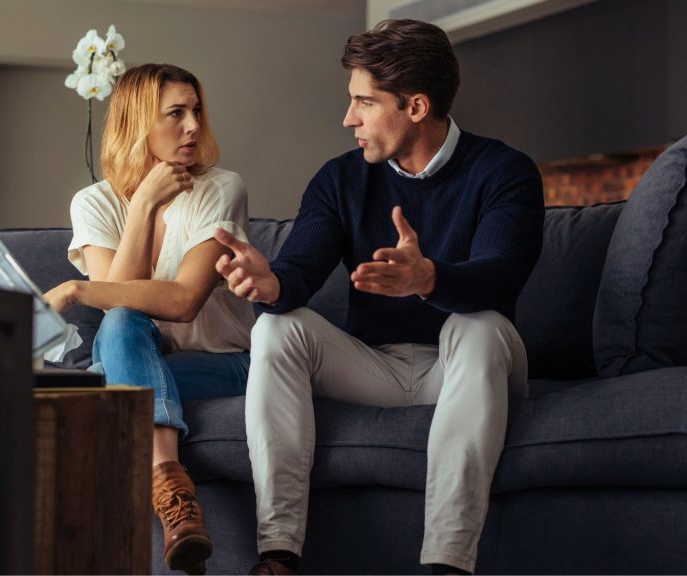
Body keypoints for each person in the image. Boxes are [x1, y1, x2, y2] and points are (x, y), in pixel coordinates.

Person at [214, 20, 544, 575]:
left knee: (477, 325)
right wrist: (271, 285)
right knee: (275, 328)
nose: (349, 119)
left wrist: (430, 278)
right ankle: (277, 555)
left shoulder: (504, 172)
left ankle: (447, 563)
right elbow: (300, 265)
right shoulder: (341, 180)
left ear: (416, 106)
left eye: (364, 103)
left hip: (466, 364)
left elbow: (500, 275)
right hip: (374, 366)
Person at [44, 63, 255, 575]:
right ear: (139, 123)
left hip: (227, 362)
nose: (192, 126)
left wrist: (76, 288)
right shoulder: (94, 203)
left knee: (108, 383)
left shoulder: (221, 188)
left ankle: (156, 489)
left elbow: (184, 300)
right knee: (120, 330)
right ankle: (174, 497)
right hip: (145, 360)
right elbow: (122, 307)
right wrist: (140, 207)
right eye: (175, 114)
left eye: (196, 111)